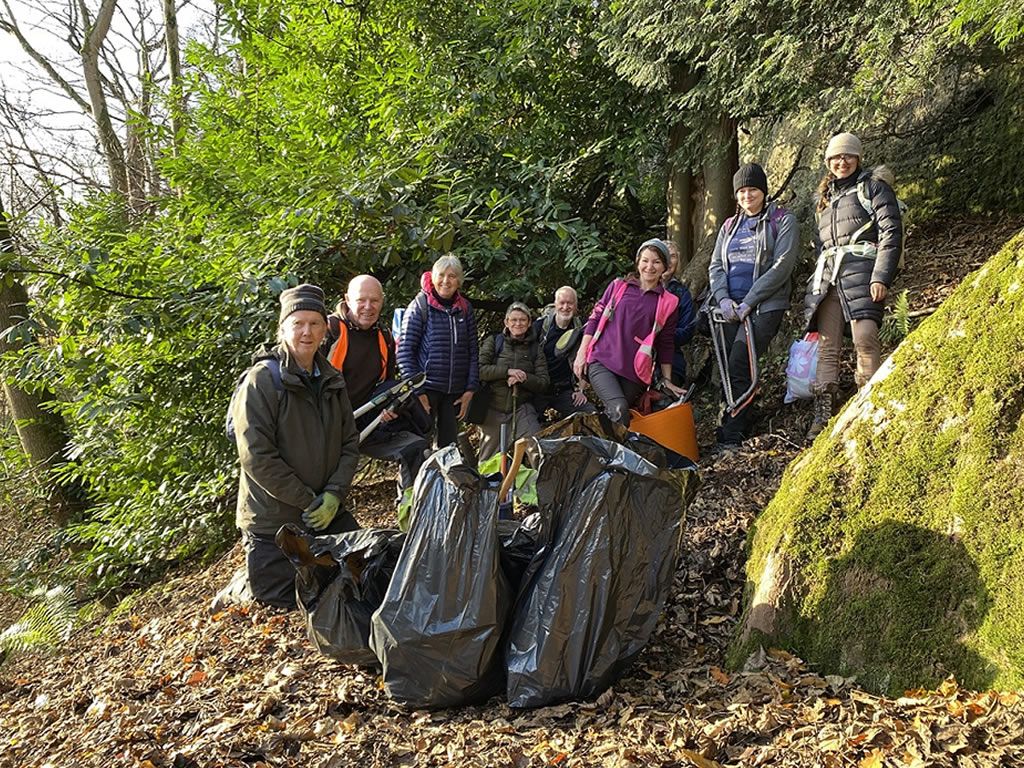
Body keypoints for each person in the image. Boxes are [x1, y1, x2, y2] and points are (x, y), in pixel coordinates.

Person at [229, 284, 360, 609]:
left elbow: (349, 443)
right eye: (298, 323)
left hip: (326, 514)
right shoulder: (262, 380)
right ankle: (238, 586)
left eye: (315, 324)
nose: (307, 332)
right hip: (276, 522)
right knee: (282, 603)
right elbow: (257, 457)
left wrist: (334, 495)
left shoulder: (332, 379)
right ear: (283, 328)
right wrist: (308, 501)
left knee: (363, 576)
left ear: (325, 330)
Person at [804, 133, 903, 439]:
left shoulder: (873, 188)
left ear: (858, 158)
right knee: (827, 346)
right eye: (835, 157)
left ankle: (868, 403)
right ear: (828, 162)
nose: (841, 162)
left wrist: (880, 277)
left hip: (863, 272)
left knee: (865, 339)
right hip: (829, 279)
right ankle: (823, 414)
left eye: (847, 156)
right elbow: (823, 246)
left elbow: (891, 232)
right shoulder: (826, 198)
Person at [708, 162, 800, 449]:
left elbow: (782, 266)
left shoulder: (783, 220)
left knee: (739, 361)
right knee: (725, 365)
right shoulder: (729, 226)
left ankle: (733, 435)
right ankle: (738, 419)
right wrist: (723, 298)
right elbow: (715, 266)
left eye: (753, 190)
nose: (747, 196)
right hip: (728, 309)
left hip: (763, 307)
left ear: (763, 191)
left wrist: (749, 301)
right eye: (742, 191)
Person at [324, 275, 430, 509]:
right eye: (361, 300)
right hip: (328, 428)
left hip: (366, 424)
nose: (368, 307)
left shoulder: (383, 337)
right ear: (347, 300)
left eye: (374, 301)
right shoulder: (329, 330)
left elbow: (386, 383)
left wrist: (390, 410)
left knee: (416, 447)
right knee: (326, 488)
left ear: (382, 302)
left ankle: (411, 514)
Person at [573, 239, 686, 426]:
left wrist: (667, 380)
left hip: (635, 371)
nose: (649, 266)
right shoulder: (619, 286)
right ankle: (613, 455)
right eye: (645, 260)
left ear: (665, 267)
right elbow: (595, 318)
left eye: (656, 262)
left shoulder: (669, 302)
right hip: (602, 360)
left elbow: (665, 343)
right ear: (638, 262)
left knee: (618, 417)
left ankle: (600, 449)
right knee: (618, 408)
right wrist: (581, 353)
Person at [398, 254, 479, 448]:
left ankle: (445, 480)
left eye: (452, 276)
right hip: (426, 390)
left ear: (459, 280)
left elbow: (473, 352)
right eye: (441, 275)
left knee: (449, 449)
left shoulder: (465, 308)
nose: (446, 281)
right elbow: (404, 352)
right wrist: (418, 392)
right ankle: (413, 480)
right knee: (417, 447)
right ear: (433, 277)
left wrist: (470, 389)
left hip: (455, 393)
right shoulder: (420, 306)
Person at [476, 302, 550, 460]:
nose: (518, 323)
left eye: (523, 320)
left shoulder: (535, 349)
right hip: (493, 407)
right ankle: (492, 485)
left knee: (538, 449)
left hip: (522, 408)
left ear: (529, 323)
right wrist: (507, 372)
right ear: (506, 322)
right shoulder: (494, 342)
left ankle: (540, 482)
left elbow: (544, 383)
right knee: (488, 461)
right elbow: (479, 370)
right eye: (514, 320)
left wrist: (523, 378)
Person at [532, 286, 595, 420]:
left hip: (565, 391)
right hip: (539, 389)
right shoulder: (540, 327)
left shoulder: (583, 328)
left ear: (576, 306)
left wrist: (581, 390)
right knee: (528, 427)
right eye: (562, 303)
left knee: (591, 416)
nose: (565, 307)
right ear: (555, 305)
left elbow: (589, 359)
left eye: (570, 303)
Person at [663, 242, 698, 387]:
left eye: (673, 256)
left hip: (671, 357)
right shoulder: (636, 289)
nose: (669, 261)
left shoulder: (680, 293)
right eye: (664, 255)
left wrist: (660, 334)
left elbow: (687, 330)